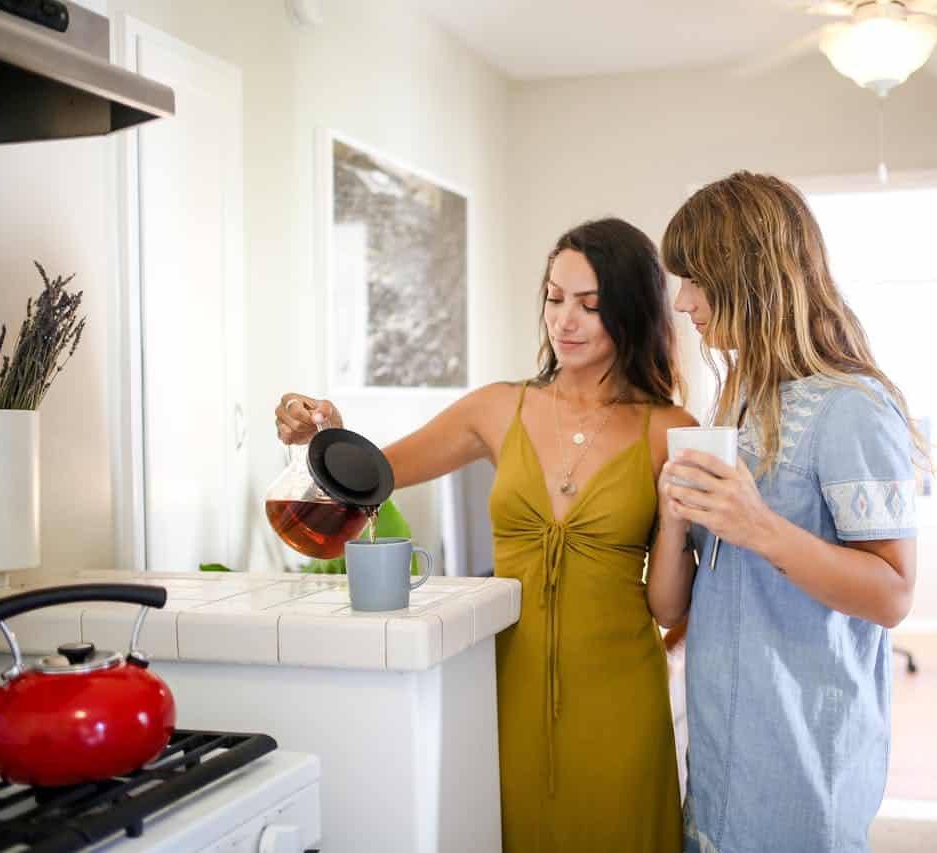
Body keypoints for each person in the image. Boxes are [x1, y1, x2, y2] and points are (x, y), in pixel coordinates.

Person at [276, 218, 694, 852]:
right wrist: (322, 432)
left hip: (623, 699)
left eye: (590, 304)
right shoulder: (498, 409)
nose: (565, 321)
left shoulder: (670, 428)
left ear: (632, 310)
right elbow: (372, 476)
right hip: (503, 688)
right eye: (555, 298)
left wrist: (679, 514)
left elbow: (668, 607)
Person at [647, 172, 922, 853]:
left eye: (696, 279)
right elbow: (676, 602)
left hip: (803, 771)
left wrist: (760, 527)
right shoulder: (735, 403)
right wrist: (676, 517)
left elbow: (892, 594)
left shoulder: (852, 407)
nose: (682, 303)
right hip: (717, 763)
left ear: (750, 273)